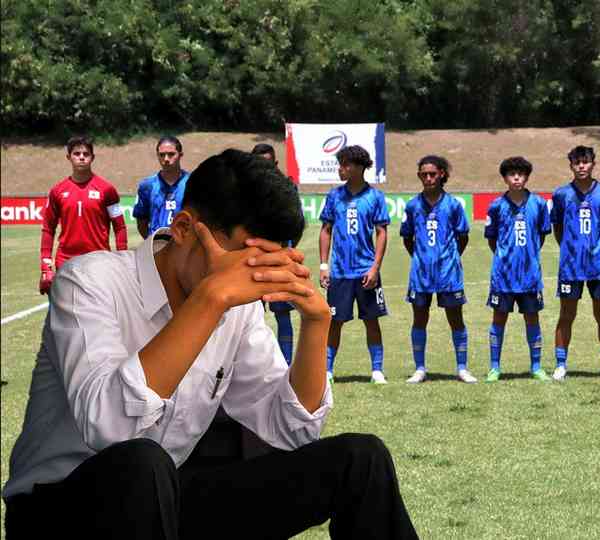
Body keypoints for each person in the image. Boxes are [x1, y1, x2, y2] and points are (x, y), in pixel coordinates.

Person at [3, 149, 418, 539]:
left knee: (361, 460)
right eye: (246, 260)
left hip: (167, 498)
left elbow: (289, 432)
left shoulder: (238, 307)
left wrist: (316, 323)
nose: (254, 278)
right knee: (143, 464)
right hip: (56, 506)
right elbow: (108, 427)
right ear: (184, 229)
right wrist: (209, 299)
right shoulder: (90, 281)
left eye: (268, 262)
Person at [400, 155, 476, 383]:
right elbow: (407, 238)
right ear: (419, 176)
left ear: (442, 174)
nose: (428, 178)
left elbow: (463, 236)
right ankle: (420, 369)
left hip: (448, 274)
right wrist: (421, 257)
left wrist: (450, 258)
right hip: (421, 274)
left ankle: (462, 368)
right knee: (419, 319)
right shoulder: (413, 205)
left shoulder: (453, 205)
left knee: (456, 319)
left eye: (432, 174)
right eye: (424, 174)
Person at [319, 145, 391, 384]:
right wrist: (323, 265)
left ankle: (377, 370)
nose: (341, 169)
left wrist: (375, 267)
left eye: (345, 164)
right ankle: (328, 371)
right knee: (335, 321)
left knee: (372, 320)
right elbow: (326, 230)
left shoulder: (375, 197)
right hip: (339, 271)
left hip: (365, 271)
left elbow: (381, 232)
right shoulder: (334, 196)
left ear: (359, 167)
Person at [550, 145, 600, 381]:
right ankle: (561, 364)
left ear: (593, 164)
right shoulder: (561, 194)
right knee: (566, 315)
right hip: (570, 266)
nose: (581, 166)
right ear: (570, 165)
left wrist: (595, 247)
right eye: (576, 162)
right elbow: (557, 228)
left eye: (586, 162)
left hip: (599, 265)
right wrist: (571, 248)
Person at [484, 156, 552, 382]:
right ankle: (495, 367)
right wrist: (505, 257)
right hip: (503, 276)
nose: (516, 178)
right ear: (504, 178)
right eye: (512, 174)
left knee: (532, 319)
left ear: (527, 177)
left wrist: (528, 256)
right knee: (498, 319)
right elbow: (492, 239)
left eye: (521, 174)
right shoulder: (496, 206)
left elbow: (541, 235)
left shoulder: (539, 204)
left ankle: (536, 366)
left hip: (530, 276)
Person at [39, 136, 127, 295]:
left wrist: (122, 257)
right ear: (69, 157)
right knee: (64, 315)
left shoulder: (107, 190)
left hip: (99, 262)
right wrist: (45, 263)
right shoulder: (57, 191)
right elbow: (48, 228)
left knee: (98, 314)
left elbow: (119, 226)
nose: (81, 157)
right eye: (76, 153)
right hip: (65, 262)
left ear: (92, 158)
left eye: (86, 154)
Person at [252, 143, 298, 365]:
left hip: (279, 261)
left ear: (275, 163)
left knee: (282, 313)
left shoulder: (288, 188)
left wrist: (284, 248)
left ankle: (285, 363)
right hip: (251, 261)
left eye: (267, 163)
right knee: (251, 315)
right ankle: (255, 364)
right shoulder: (243, 191)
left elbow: (295, 225)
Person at [133, 135, 190, 239]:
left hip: (185, 248)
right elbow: (141, 222)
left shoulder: (192, 183)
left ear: (181, 155)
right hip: (157, 248)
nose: (166, 159)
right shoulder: (147, 186)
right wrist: (152, 242)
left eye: (171, 154)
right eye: (162, 155)